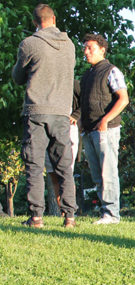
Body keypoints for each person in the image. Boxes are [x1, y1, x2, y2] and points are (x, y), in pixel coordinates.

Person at [11, 3, 77, 228]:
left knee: (34, 165)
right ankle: (69, 217)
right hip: (61, 112)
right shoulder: (69, 45)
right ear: (54, 19)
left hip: (36, 111)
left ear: (34, 22)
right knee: (64, 165)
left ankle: (36, 217)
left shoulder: (29, 44)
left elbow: (18, 77)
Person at [80, 33, 129, 224]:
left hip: (106, 130)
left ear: (102, 49)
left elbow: (123, 99)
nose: (85, 52)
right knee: (97, 175)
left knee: (107, 172)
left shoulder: (111, 71)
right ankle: (104, 212)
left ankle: (112, 214)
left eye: (89, 48)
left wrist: (105, 121)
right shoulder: (86, 75)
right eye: (84, 48)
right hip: (89, 130)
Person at [46, 80, 81, 210]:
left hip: (68, 129)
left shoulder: (73, 83)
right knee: (53, 173)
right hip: (48, 130)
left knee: (67, 172)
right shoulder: (46, 82)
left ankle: (70, 210)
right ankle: (62, 210)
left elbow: (85, 101)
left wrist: (75, 116)